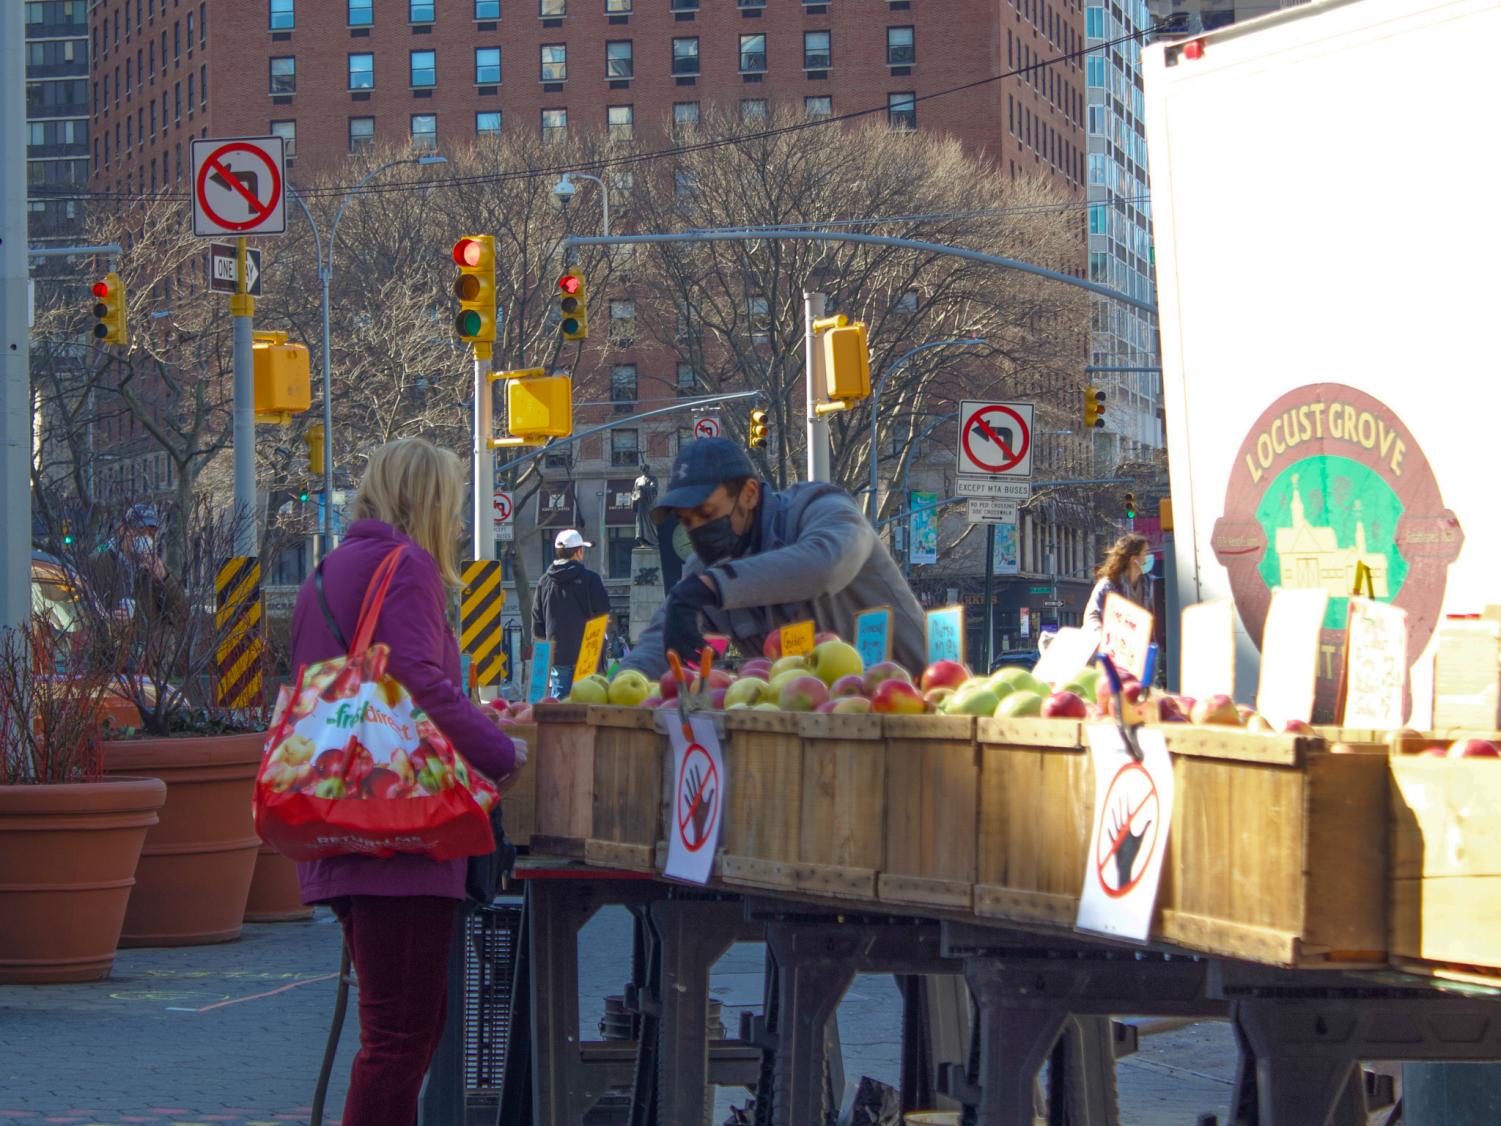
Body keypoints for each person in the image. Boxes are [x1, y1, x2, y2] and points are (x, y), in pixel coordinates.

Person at [288, 438, 524, 1126]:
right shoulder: (408, 566)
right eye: (451, 505)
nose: (454, 522)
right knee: (399, 1039)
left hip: (339, 817)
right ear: (428, 500)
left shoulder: (328, 570)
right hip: (401, 836)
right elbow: (417, 683)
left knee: (394, 1028)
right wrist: (501, 751)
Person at [619, 438, 927, 678]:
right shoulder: (704, 571)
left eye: (707, 513)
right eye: (687, 522)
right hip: (821, 724)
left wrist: (712, 587)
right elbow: (656, 646)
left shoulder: (822, 509)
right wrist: (613, 688)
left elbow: (825, 566)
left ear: (750, 493)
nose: (698, 529)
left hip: (922, 712)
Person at [532, 528, 611, 696]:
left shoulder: (544, 582)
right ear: (579, 551)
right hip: (588, 653)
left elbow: (537, 624)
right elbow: (603, 617)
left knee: (560, 706)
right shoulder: (591, 579)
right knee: (587, 703)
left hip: (558, 654)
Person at [88, 503, 187, 628]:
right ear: (123, 531)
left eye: (152, 533)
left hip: (150, 646)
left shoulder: (155, 567)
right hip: (113, 644)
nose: (146, 538)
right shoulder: (99, 562)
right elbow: (83, 612)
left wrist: (164, 578)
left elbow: (181, 615)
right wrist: (109, 619)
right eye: (140, 531)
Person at [1084, 532, 1153, 631]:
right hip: (1115, 642)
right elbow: (1093, 616)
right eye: (1146, 553)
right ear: (1134, 559)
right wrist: (1100, 635)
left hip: (1141, 643)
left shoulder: (1150, 584)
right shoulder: (1108, 586)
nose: (1150, 557)